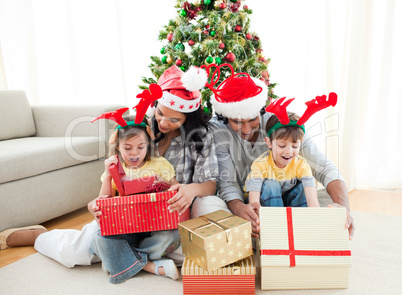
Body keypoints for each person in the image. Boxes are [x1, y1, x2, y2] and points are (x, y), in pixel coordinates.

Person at [0, 65, 220, 268]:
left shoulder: (201, 137)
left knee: (181, 248)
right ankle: (39, 236)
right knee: (76, 253)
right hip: (126, 214)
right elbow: (113, 177)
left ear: (188, 118)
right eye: (160, 113)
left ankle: (124, 258)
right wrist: (100, 203)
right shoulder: (140, 127)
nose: (162, 123)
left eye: (174, 120)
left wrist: (190, 190)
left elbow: (210, 185)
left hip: (166, 218)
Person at [192, 64, 354, 239]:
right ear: (225, 116)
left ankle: (290, 234)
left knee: (333, 204)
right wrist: (240, 210)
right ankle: (263, 233)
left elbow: (323, 167)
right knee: (205, 206)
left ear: (261, 110)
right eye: (237, 122)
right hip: (251, 202)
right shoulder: (217, 130)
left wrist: (343, 207)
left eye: (252, 119)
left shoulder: (281, 122)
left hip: (291, 197)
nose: (246, 129)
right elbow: (227, 182)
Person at [89, 111, 183, 284]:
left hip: (156, 226)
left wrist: (165, 185)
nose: (134, 154)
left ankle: (118, 259)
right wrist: (109, 174)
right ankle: (150, 266)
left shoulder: (159, 163)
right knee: (98, 238)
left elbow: (177, 190)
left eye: (141, 147)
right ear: (117, 146)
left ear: (148, 145)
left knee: (173, 235)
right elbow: (103, 198)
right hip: (126, 228)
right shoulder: (115, 168)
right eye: (127, 148)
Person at [246, 111, 320, 210]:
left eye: (294, 146)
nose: (289, 152)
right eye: (282, 146)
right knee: (271, 184)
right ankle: (277, 221)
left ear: (300, 143)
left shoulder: (301, 164)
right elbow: (254, 194)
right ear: (269, 142)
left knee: (303, 187)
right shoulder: (261, 164)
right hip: (262, 200)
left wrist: (315, 209)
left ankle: (301, 219)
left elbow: (311, 195)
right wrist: (254, 204)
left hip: (285, 199)